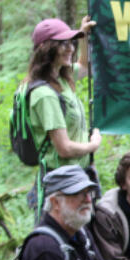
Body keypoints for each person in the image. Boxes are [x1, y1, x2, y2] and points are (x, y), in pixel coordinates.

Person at [22, 17, 104, 212]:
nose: (71, 49)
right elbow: (64, 148)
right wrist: (92, 145)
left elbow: (85, 68)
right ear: (46, 48)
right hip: (62, 184)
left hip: (76, 176)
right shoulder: (45, 95)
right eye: (63, 44)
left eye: (71, 43)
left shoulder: (61, 78)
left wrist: (83, 36)